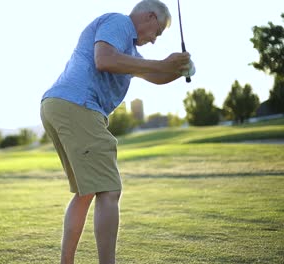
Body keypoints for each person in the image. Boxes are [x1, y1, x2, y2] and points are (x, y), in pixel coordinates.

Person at [40, 0, 194, 263]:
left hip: (59, 105)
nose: (156, 41)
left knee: (86, 191)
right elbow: (104, 60)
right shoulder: (120, 22)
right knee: (109, 191)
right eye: (158, 33)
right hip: (79, 105)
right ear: (150, 17)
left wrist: (178, 70)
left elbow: (153, 75)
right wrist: (163, 64)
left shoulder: (130, 50)